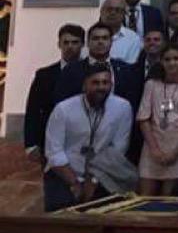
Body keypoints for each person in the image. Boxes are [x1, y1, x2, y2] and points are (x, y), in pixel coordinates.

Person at [43, 63, 134, 211]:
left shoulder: (122, 108)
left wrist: (94, 179)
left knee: (107, 213)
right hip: (65, 172)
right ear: (84, 85)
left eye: (105, 83)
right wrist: (74, 183)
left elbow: (118, 150)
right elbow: (54, 152)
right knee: (62, 214)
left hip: (103, 173)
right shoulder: (63, 109)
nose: (101, 87)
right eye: (95, 83)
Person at [136, 44, 178, 195]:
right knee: (144, 196)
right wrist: (154, 149)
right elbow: (143, 118)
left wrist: (175, 152)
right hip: (153, 145)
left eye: (176, 59)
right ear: (161, 61)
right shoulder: (151, 84)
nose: (172, 63)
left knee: (169, 198)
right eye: (167, 59)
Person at [25, 24, 85, 165]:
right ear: (59, 44)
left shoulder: (91, 73)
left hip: (82, 141)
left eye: (75, 42)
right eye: (66, 42)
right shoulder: (44, 75)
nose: (70, 46)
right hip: (50, 140)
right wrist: (31, 144)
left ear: (83, 44)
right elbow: (33, 110)